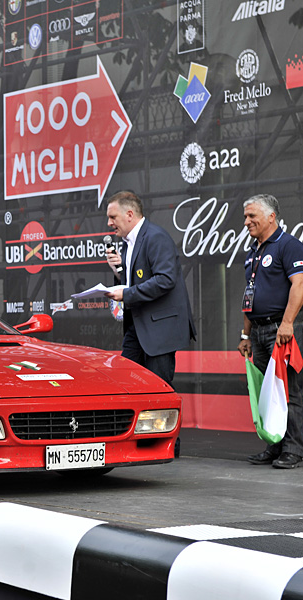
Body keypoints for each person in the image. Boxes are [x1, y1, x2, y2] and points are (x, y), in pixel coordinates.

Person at [103, 191, 196, 456]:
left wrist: (127, 293)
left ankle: (168, 447)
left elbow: (166, 279)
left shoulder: (155, 237)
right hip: (138, 326)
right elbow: (140, 280)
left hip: (160, 329)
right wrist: (119, 272)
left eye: (113, 216)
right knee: (127, 382)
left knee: (160, 388)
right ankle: (135, 441)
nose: (110, 223)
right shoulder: (130, 242)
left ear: (129, 214)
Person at [236, 194, 303, 469]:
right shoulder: (253, 252)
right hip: (259, 331)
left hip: (284, 329)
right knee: (268, 392)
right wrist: (245, 335)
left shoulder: (289, 246)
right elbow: (249, 296)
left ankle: (295, 450)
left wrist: (288, 323)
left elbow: (300, 285)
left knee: (288, 390)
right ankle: (275, 445)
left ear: (271, 217)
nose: (246, 222)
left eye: (252, 216)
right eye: (245, 216)